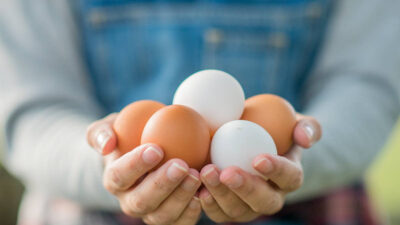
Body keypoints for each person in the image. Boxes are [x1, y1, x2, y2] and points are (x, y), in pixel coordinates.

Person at [0, 0, 399, 225]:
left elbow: (368, 85)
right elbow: (31, 108)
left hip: (310, 209)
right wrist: (110, 165)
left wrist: (296, 157)